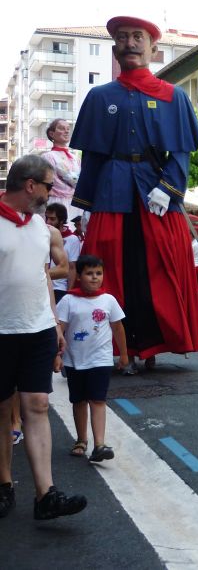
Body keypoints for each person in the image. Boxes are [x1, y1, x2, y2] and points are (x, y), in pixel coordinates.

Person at [70, 15, 198, 370]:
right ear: (115, 48)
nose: (130, 42)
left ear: (153, 48)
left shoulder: (173, 97)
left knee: (157, 270)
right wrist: (85, 206)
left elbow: (180, 152)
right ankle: (117, 347)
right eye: (124, 37)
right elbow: (93, 156)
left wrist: (168, 189)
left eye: (138, 37)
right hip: (111, 192)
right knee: (111, 268)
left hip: (156, 193)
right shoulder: (99, 97)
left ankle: (154, 343)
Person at [0, 154, 87, 520]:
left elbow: (43, 279)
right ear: (30, 185)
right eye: (50, 186)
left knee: (36, 405)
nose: (54, 193)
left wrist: (54, 326)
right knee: (3, 411)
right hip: (2, 332)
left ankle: (45, 495)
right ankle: (4, 485)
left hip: (36, 329)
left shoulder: (40, 228)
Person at [57, 255, 128, 462]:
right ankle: (81, 440)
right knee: (78, 401)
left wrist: (123, 354)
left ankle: (99, 444)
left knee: (98, 400)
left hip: (101, 360)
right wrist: (57, 355)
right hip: (74, 360)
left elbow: (118, 327)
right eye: (89, 273)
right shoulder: (69, 300)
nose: (94, 278)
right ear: (79, 276)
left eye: (98, 273)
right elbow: (60, 329)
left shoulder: (108, 300)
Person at [41, 118, 82, 221]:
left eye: (68, 128)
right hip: (56, 202)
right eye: (61, 128)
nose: (66, 131)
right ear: (51, 133)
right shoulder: (48, 156)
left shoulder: (75, 158)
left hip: (75, 203)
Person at [45, 203, 81, 303]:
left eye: (52, 219)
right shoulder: (42, 234)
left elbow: (72, 267)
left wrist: (68, 293)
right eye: (47, 218)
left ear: (61, 221)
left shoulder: (72, 239)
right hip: (42, 285)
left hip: (59, 289)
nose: (48, 222)